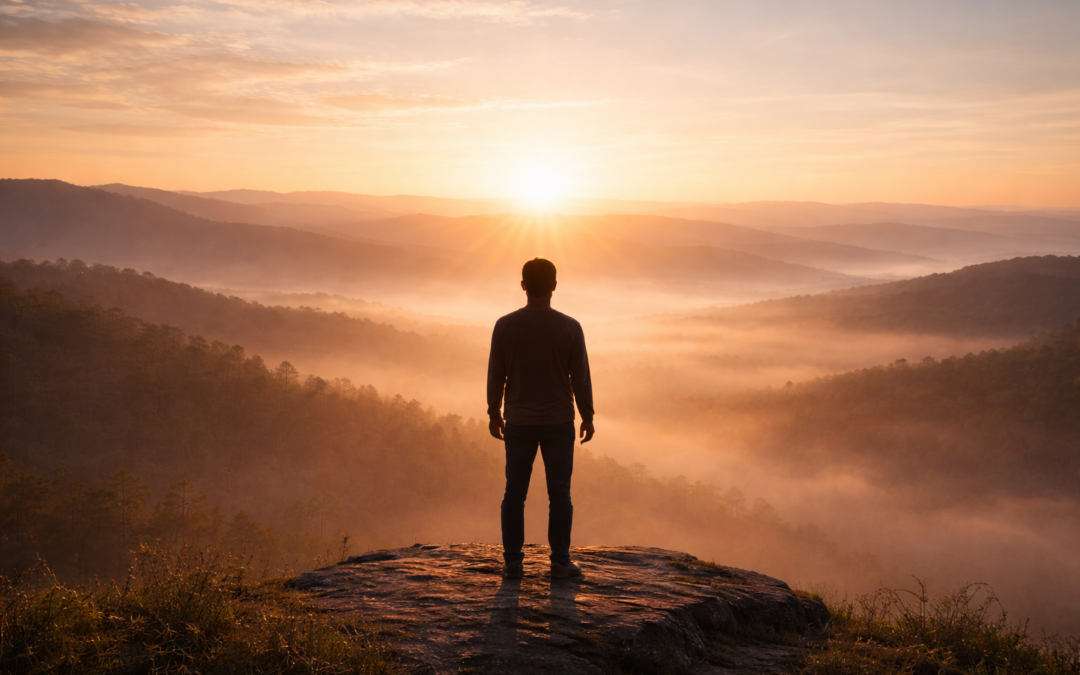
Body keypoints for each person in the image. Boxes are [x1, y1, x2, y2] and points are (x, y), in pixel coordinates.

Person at [487, 257, 595, 580]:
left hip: (519, 421)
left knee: (514, 494)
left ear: (523, 286)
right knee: (560, 494)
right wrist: (587, 415)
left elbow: (496, 375)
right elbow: (581, 378)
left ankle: (512, 563)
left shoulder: (505, 325)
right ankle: (560, 562)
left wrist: (494, 412)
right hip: (559, 421)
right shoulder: (570, 327)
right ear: (554, 286)